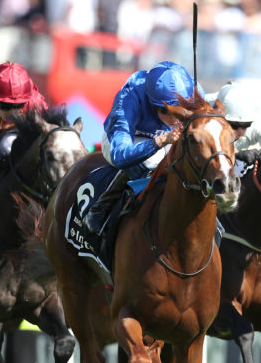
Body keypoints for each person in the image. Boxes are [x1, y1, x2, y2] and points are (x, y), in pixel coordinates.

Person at [82, 61, 203, 235]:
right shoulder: (130, 98)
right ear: (152, 103)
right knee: (150, 160)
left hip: (167, 140)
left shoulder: (193, 91)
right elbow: (119, 155)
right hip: (124, 140)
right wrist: (159, 141)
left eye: (180, 110)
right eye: (166, 111)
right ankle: (101, 207)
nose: (175, 118)